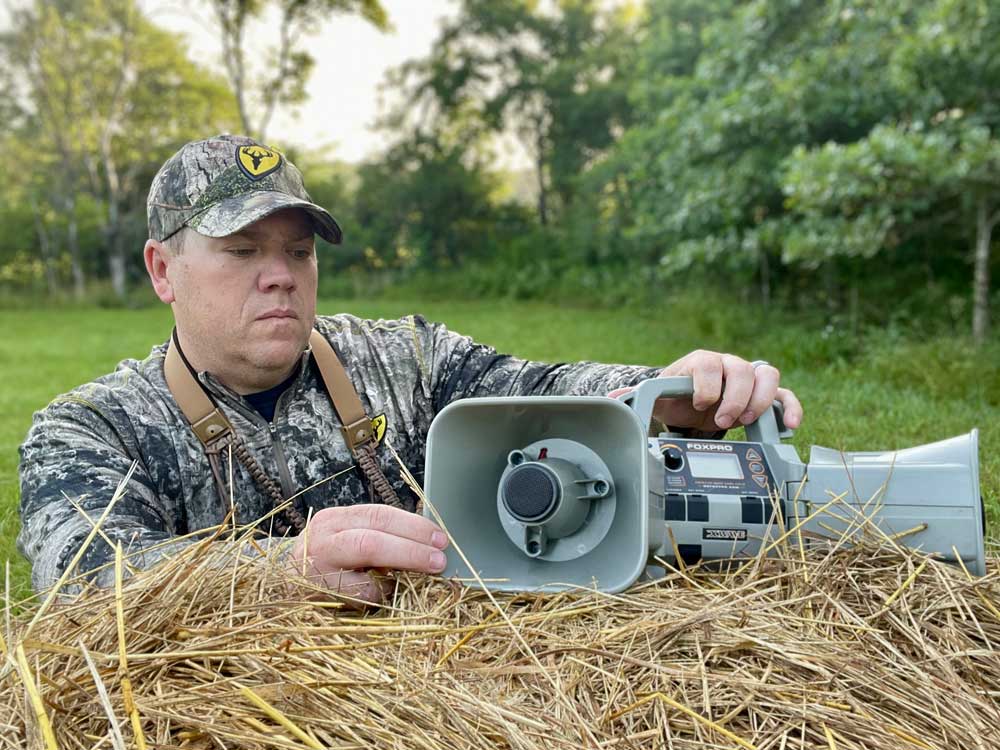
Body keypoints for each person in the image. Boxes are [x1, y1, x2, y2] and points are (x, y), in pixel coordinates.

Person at [18, 134, 803, 602]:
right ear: (163, 271)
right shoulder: (89, 430)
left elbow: (534, 388)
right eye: (242, 252)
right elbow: (88, 582)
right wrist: (279, 569)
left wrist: (664, 393)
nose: (281, 275)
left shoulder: (402, 357)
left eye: (297, 250)